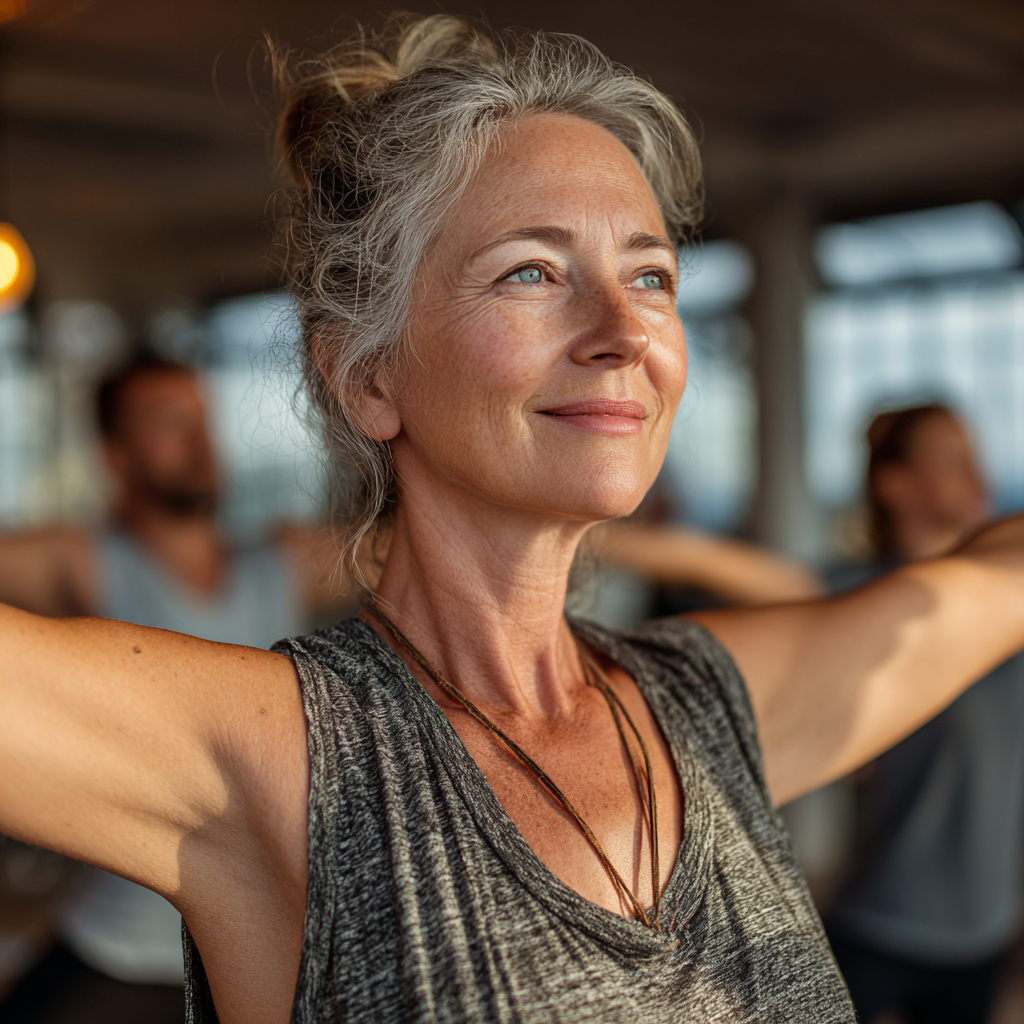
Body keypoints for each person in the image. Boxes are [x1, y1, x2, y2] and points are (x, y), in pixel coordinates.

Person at [3, 16, 1024, 1023]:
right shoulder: (274, 757)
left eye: (651, 275)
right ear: (365, 376)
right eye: (531, 270)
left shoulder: (708, 708)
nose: (623, 331)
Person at [0, 356, 353, 1023]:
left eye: (200, 419)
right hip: (119, 944)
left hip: (260, 951)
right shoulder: (84, 557)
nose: (200, 441)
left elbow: (441, 554)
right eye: (169, 424)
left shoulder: (281, 562)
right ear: (118, 456)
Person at [824, 404, 1024, 1024]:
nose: (979, 479)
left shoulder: (1004, 598)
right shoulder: (853, 596)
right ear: (896, 484)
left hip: (984, 930)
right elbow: (756, 582)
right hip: (879, 919)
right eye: (954, 461)